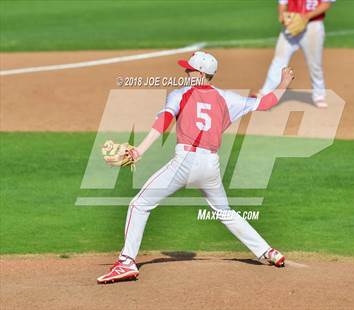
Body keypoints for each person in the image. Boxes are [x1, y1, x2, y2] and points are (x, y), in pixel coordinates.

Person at [97, 51, 295, 284]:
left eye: (189, 69)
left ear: (200, 74)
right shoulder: (227, 97)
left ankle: (126, 262)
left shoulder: (180, 94)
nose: (185, 72)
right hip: (210, 166)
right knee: (224, 212)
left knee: (139, 204)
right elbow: (265, 103)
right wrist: (283, 84)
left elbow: (164, 121)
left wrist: (140, 149)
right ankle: (268, 252)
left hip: (185, 163)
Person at [258, 0, 335, 108]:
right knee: (279, 59)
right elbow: (282, 4)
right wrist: (282, 16)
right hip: (291, 24)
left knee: (315, 63)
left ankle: (319, 96)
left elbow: (326, 4)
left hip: (312, 25)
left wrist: (306, 16)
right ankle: (265, 93)